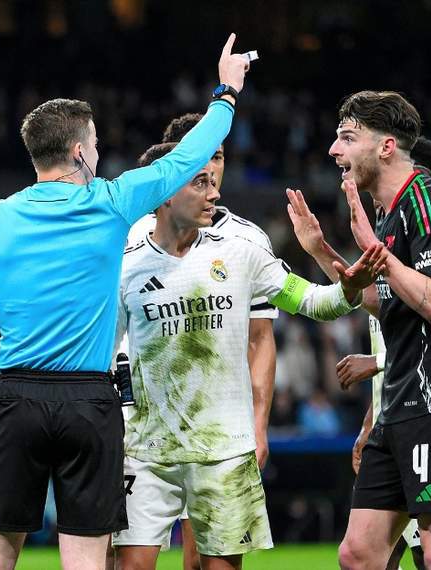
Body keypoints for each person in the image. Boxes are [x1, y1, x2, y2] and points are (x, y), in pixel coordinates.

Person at [0, 34, 252, 570]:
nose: (101, 153)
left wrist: (1, 323)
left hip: (16, 400)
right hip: (88, 401)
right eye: (97, 144)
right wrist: (226, 92)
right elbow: (189, 156)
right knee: (86, 561)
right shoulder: (110, 201)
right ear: (80, 152)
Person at [112, 141, 382, 570]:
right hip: (146, 450)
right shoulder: (124, 266)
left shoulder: (240, 252)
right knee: (130, 566)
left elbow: (314, 302)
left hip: (225, 450)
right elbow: (108, 358)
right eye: (200, 183)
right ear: (163, 192)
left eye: (212, 181)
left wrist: (348, 287)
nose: (215, 192)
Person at [289, 91, 431, 569]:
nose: (333, 150)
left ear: (386, 147)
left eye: (347, 138)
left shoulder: (428, 198)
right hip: (397, 401)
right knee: (359, 553)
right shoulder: (389, 215)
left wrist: (379, 254)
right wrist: (321, 250)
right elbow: (382, 302)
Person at [124, 112, 278, 570]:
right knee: (129, 559)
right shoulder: (133, 234)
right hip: (145, 430)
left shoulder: (246, 240)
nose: (213, 167)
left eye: (219, 155)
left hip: (215, 431)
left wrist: (259, 423)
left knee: (200, 558)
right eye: (201, 157)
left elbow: (260, 339)